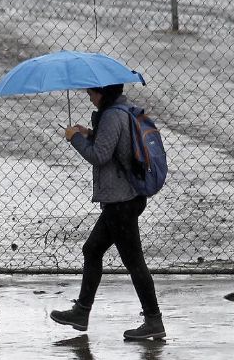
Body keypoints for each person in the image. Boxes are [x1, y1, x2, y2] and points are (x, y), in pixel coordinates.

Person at [50, 83, 166, 341]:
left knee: (133, 261)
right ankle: (81, 312)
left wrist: (74, 138)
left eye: (91, 94)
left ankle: (153, 320)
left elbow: (100, 155)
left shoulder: (112, 115)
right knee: (92, 250)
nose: (90, 98)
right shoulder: (121, 110)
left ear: (102, 93)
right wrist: (89, 133)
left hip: (121, 201)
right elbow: (115, 145)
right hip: (125, 198)